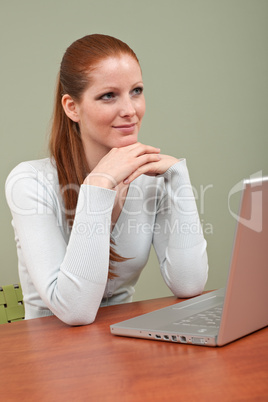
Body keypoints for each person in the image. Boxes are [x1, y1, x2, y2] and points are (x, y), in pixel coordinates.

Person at [5, 34, 208, 326]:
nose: (130, 110)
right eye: (108, 96)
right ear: (72, 107)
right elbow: (75, 311)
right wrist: (98, 185)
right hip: (49, 350)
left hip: (123, 347)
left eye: (136, 91)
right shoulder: (30, 183)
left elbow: (189, 284)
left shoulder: (151, 180)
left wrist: (178, 177)